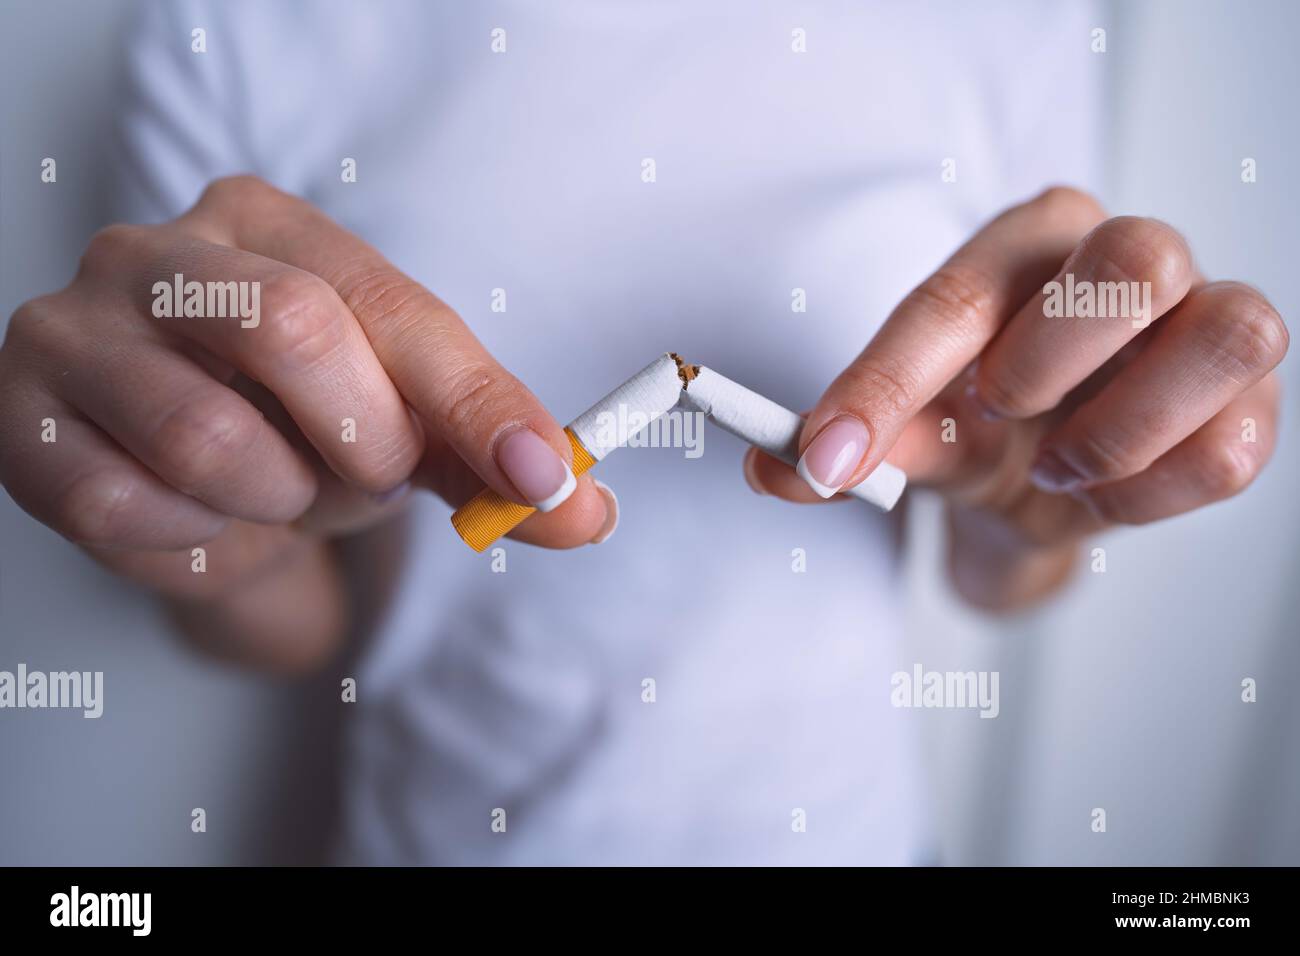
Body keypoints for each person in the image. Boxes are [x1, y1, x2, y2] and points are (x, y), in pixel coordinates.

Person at [0, 1, 1285, 864]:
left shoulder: (1008, 21)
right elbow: (291, 622)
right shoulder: (230, 25)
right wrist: (208, 528)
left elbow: (1003, 571)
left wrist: (1033, 482)